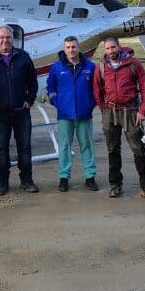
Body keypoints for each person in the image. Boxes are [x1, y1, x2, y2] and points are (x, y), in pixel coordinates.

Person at [92, 37, 145, 201]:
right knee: (112, 150)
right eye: (107, 48)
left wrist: (142, 111)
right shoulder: (101, 67)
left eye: (113, 47)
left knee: (139, 150)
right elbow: (97, 91)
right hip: (110, 112)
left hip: (131, 112)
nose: (110, 51)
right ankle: (115, 185)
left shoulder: (134, 64)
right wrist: (104, 110)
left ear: (119, 47)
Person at [0, 25, 39, 195]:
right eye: (2, 38)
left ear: (13, 39)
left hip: (21, 111)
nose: (5, 41)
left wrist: (29, 100)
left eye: (8, 37)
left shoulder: (23, 57)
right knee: (1, 148)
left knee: (25, 148)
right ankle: (2, 183)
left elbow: (33, 81)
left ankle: (27, 181)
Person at [47, 36, 98, 192]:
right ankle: (64, 177)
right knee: (64, 147)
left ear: (78, 48)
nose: (71, 50)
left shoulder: (90, 66)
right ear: (64, 49)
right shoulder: (56, 67)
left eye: (73, 47)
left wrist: (91, 104)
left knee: (87, 145)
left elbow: (97, 88)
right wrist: (56, 102)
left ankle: (90, 177)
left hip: (84, 114)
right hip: (64, 114)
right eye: (68, 47)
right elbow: (51, 87)